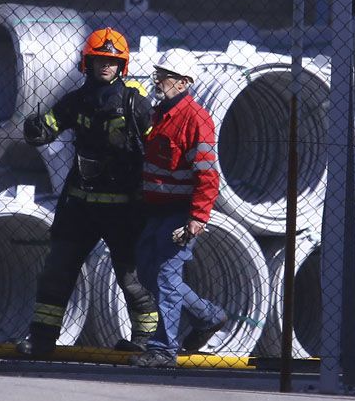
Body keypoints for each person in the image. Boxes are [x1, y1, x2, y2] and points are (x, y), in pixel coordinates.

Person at [15, 27, 159, 357]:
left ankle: (147, 343)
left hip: (124, 209)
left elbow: (158, 147)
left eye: (111, 61)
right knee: (56, 274)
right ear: (87, 63)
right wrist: (36, 128)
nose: (104, 66)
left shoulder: (135, 103)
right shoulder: (76, 100)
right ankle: (42, 340)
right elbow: (50, 125)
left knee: (132, 281)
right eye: (98, 60)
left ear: (121, 65)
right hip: (79, 206)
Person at [130, 49, 227, 369]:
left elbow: (207, 174)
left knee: (167, 278)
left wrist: (197, 218)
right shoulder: (160, 115)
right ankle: (208, 317)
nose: (158, 80)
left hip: (180, 213)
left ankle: (163, 350)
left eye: (165, 76)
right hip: (154, 211)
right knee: (146, 272)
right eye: (159, 74)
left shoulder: (197, 120)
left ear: (184, 83)